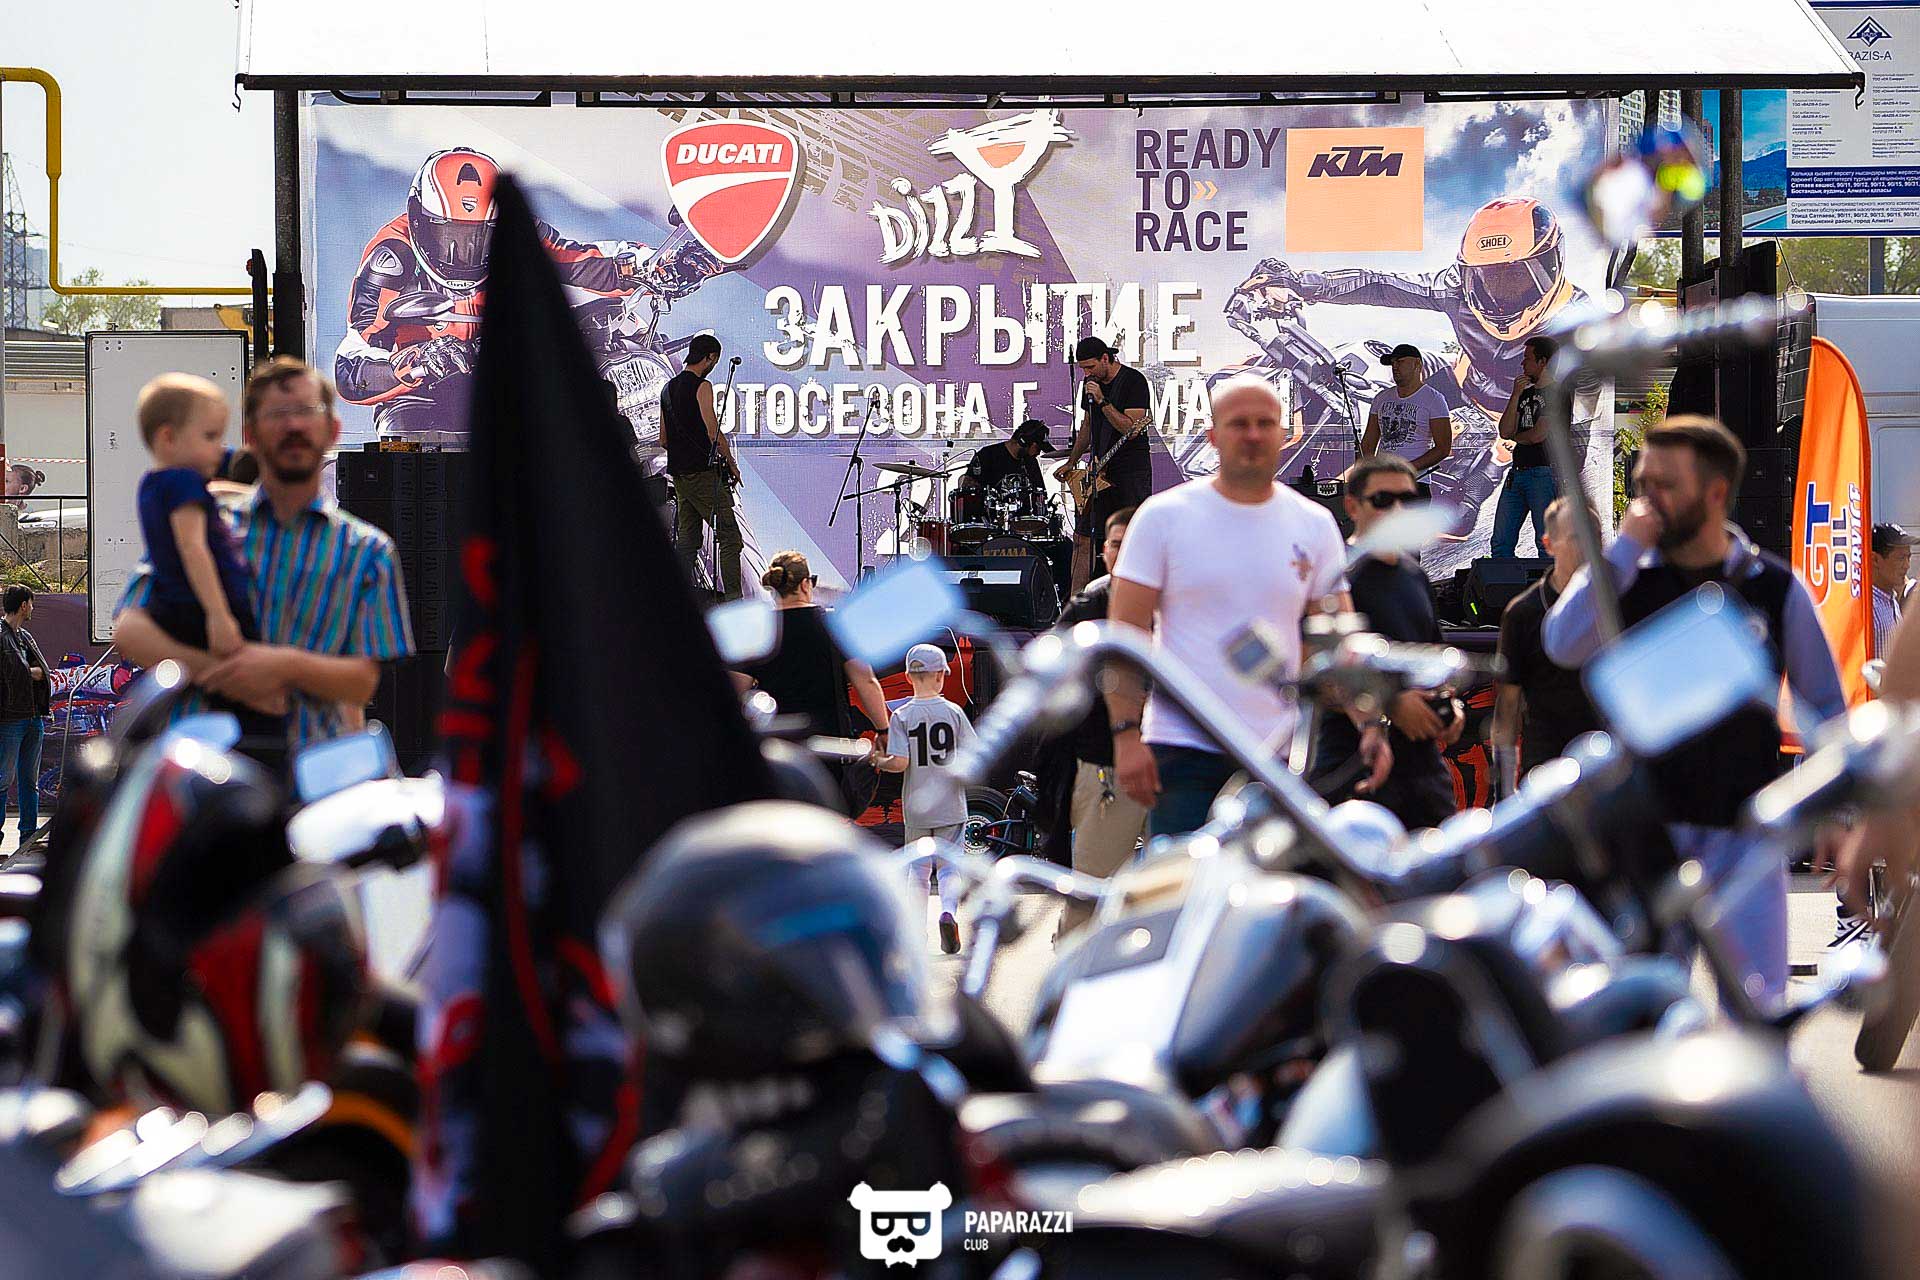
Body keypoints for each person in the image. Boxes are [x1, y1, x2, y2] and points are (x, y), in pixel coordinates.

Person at [1544, 415, 1845, 1002]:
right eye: (1641, 483)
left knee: (1757, 1009)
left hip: (1746, 837)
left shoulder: (1772, 585)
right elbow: (1561, 643)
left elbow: (1825, 706)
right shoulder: (1624, 576)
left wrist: (1836, 807)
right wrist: (1623, 549)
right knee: (1643, 1011)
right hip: (1645, 835)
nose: (1647, 500)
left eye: (1665, 485)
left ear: (1714, 492)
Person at [1108, 376, 1391, 839]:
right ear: (1213, 435)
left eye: (1265, 423)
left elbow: (1336, 638)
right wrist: (1124, 734)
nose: (1254, 435)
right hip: (1183, 747)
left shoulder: (1315, 523)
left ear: (1284, 433)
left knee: (1271, 884)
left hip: (1279, 754)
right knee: (1181, 882)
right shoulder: (1162, 517)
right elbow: (1125, 634)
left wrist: (1369, 722)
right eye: (1239, 424)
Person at [112, 357, 417, 771]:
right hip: (204, 773)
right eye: (277, 413)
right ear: (251, 435)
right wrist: (228, 674)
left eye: (307, 411)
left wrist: (282, 666)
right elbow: (130, 630)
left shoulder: (367, 551)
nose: (293, 426)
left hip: (311, 776)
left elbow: (362, 682)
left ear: (333, 430)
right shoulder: (209, 524)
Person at [335, 147, 724, 439]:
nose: (464, 252)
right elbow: (351, 363)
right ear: (419, 220)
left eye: (480, 237)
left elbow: (582, 259)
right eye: (448, 235)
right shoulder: (392, 257)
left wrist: (654, 264)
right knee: (417, 451)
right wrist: (412, 364)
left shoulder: (517, 233)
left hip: (508, 378)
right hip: (426, 392)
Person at [1313, 455, 1463, 830]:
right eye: (1383, 500)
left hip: (1423, 770)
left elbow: (1432, 655)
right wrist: (1392, 703)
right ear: (1352, 507)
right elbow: (1322, 670)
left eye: (1408, 500)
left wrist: (1450, 705)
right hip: (1356, 766)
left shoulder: (1415, 576)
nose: (1397, 510)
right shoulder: (1337, 577)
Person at [1051, 507, 1148, 940]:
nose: (1123, 554)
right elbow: (1052, 675)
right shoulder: (1089, 605)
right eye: (1116, 544)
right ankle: (1071, 970)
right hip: (1104, 765)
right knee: (1089, 896)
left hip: (1173, 762)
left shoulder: (1178, 602)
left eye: (1133, 545)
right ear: (1104, 551)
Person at [736, 552, 891, 814]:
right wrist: (883, 730)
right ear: (806, 584)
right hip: (829, 746)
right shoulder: (834, 625)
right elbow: (865, 680)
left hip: (776, 746)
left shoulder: (759, 630)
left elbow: (735, 689)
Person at [131, 374, 258, 660]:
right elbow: (193, 548)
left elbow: (213, 492)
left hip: (176, 604)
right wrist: (218, 615)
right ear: (168, 437)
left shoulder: (152, 483)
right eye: (211, 437)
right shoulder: (184, 481)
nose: (220, 448)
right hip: (203, 607)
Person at [1491, 495, 1603, 797]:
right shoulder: (1523, 613)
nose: (1589, 546)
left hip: (1607, 769)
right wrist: (1504, 794)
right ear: (1549, 544)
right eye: (1577, 537)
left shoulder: (1618, 601)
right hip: (1546, 773)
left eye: (1596, 536)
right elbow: (1507, 708)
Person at [875, 644, 975, 954]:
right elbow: (973, 754)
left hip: (916, 806)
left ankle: (916, 933)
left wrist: (879, 761)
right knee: (949, 868)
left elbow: (900, 763)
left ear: (907, 676)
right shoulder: (954, 712)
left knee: (918, 872)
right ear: (941, 676)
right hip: (951, 804)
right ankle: (948, 912)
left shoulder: (901, 715)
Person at [1057, 336, 1154, 578]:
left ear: (1105, 358)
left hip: (1130, 470)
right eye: (1083, 369)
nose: (1087, 373)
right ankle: (1076, 598)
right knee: (1082, 539)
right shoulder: (1090, 384)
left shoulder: (1133, 381)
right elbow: (1087, 426)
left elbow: (1130, 429)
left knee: (1131, 537)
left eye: (1090, 367)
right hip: (1099, 471)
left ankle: (1131, 593)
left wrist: (1102, 400)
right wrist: (1072, 461)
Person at [661, 334, 745, 601]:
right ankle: (735, 601)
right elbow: (713, 431)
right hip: (702, 474)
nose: (713, 365)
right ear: (710, 357)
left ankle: (676, 599)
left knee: (688, 541)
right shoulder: (703, 386)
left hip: (679, 475)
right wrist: (732, 464)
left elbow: (663, 439)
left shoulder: (667, 388)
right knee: (730, 538)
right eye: (714, 361)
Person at [1490, 334, 1561, 558]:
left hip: (1543, 472)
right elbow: (1504, 431)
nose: (1522, 363)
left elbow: (1538, 435)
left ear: (1543, 362)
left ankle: (1550, 581)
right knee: (1500, 542)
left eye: (1527, 358)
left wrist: (1515, 436)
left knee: (1545, 542)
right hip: (1517, 473)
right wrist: (1515, 395)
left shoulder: (1558, 393)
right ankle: (1503, 580)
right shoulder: (1525, 393)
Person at [0, 586, 49, 842]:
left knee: (30, 781)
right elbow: (17, 673)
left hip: (33, 717)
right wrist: (29, 672)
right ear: (23, 605)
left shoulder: (25, 637)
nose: (32, 608)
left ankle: (28, 836)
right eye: (31, 603)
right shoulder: (1, 636)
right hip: (9, 719)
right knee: (3, 780)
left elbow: (43, 671)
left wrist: (27, 672)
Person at [1361, 343, 1452, 474]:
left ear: (1417, 364)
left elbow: (1443, 449)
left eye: (1400, 362)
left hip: (1415, 480)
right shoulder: (1381, 398)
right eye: (1392, 363)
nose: (1395, 367)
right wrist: (1364, 474)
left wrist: (1405, 468)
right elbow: (1368, 443)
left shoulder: (1434, 399)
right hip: (1383, 478)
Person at [1871, 523, 1914, 658]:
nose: (1907, 565)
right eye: (1900, 558)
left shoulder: (1891, 600)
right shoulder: (1868, 608)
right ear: (1875, 559)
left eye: (1908, 557)